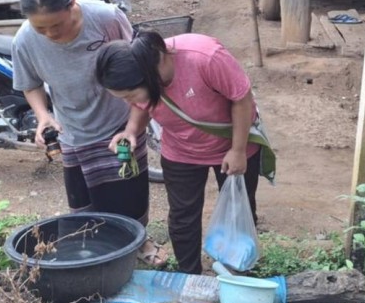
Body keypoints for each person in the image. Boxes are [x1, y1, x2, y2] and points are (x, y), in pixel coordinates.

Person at [12, 0, 165, 265]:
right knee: (84, 200)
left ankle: (139, 240)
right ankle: (100, 248)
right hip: (73, 130)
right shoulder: (24, 40)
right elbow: (29, 84)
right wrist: (43, 116)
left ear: (72, 3)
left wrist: (134, 126)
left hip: (119, 124)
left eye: (56, 24)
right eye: (40, 28)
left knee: (129, 188)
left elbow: (137, 67)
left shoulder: (106, 18)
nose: (50, 34)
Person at [95, 30, 268, 275]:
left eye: (129, 95)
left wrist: (238, 150)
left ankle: (237, 273)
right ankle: (189, 274)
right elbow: (141, 103)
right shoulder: (142, 77)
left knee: (238, 209)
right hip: (181, 150)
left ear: (149, 75)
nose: (128, 101)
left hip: (232, 144)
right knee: (182, 216)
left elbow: (241, 99)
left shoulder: (205, 57)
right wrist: (131, 130)